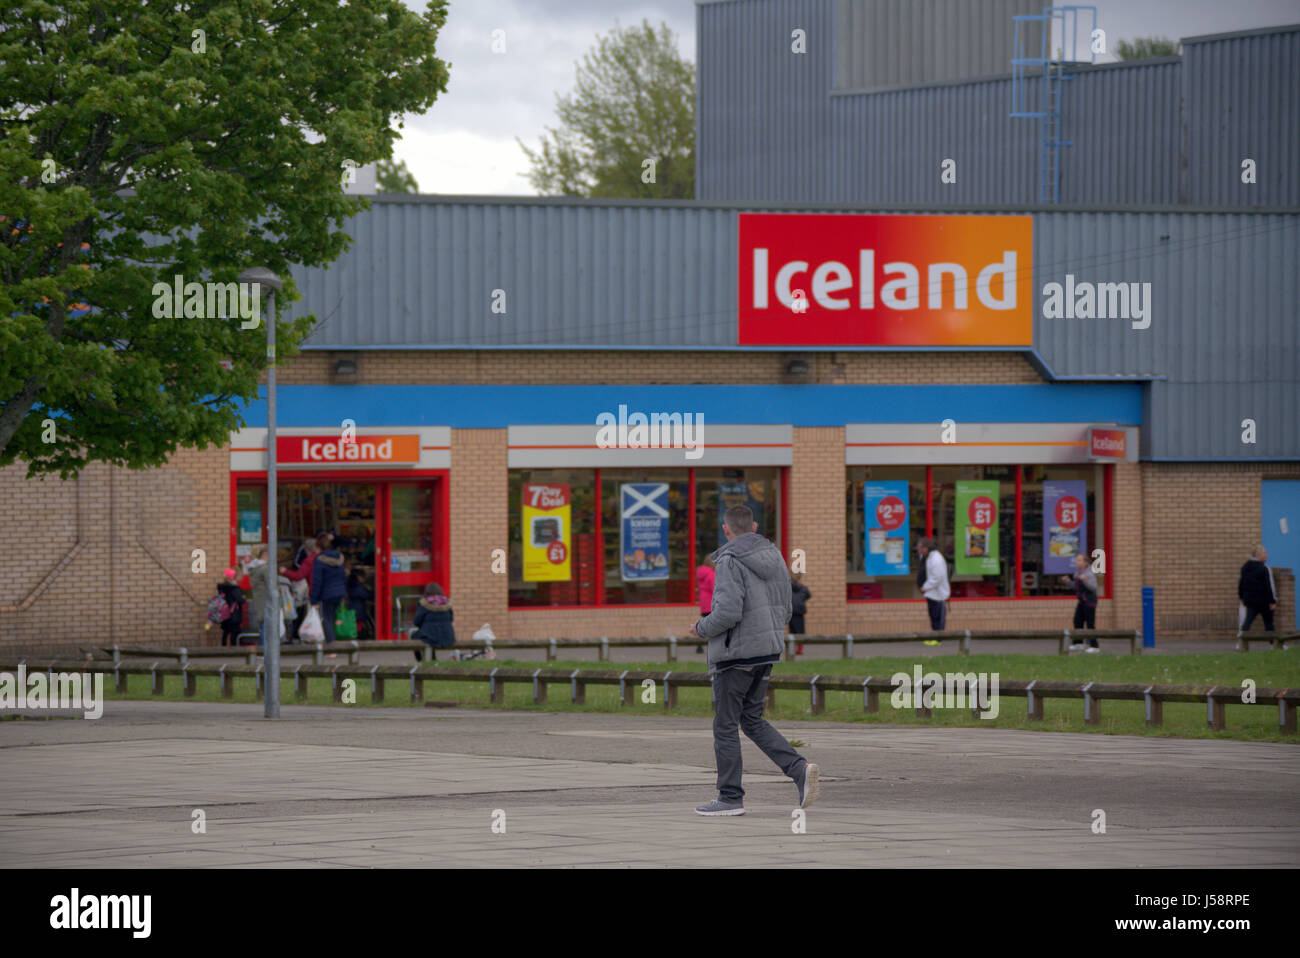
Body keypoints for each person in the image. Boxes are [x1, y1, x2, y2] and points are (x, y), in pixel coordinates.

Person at [689, 504, 819, 817]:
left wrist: (700, 628)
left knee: (725, 725)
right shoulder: (775, 556)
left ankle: (730, 797)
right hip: (767, 651)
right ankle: (799, 769)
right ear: (755, 526)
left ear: (726, 529)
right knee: (752, 719)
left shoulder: (729, 560)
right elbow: (787, 607)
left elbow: (728, 612)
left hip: (735, 656)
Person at [1238, 545, 1280, 649]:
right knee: (1269, 623)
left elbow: (1241, 583)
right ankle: (1273, 645)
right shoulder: (1264, 569)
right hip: (1264, 601)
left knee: (1247, 622)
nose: (1266, 555)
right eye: (1265, 553)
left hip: (1250, 600)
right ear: (1258, 555)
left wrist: (1242, 596)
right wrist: (1272, 601)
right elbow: (1269, 586)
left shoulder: (1245, 567)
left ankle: (1240, 643)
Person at [310, 532, 348, 645]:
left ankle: (331, 647)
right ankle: (334, 642)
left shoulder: (319, 560)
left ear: (319, 546)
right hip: (340, 592)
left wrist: (313, 599)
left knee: (326, 619)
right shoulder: (339, 558)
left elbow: (317, 581)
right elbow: (343, 577)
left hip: (327, 593)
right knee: (333, 618)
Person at [282, 536, 321, 643]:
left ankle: (314, 639)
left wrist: (285, 571)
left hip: (315, 593)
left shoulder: (309, 561)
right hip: (328, 592)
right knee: (325, 617)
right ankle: (327, 643)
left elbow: (299, 575)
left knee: (314, 616)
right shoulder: (324, 558)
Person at [1062, 553, 1099, 652]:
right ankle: (1078, 643)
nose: (1076, 562)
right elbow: (1076, 586)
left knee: (1090, 624)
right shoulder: (1077, 573)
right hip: (1082, 601)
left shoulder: (1089, 573)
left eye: (1079, 560)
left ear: (1085, 563)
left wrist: (1085, 581)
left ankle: (1094, 646)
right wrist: (1068, 582)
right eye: (1076, 560)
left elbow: (1094, 587)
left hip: (1089, 601)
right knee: (1077, 621)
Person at [411, 582, 456, 661]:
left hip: (430, 636)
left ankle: (420, 660)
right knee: (429, 636)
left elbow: (416, 622)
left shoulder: (424, 604)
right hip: (448, 636)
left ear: (427, 592)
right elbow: (451, 619)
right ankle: (433, 659)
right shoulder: (447, 603)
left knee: (414, 636)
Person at [916, 538, 950, 640]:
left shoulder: (936, 559)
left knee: (937, 617)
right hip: (932, 593)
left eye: (920, 548)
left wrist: (925, 587)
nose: (918, 550)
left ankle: (938, 638)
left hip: (938, 594)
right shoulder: (928, 557)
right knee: (933, 616)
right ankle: (935, 637)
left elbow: (936, 577)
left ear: (926, 548)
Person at [243, 545, 276, 649]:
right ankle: (265, 650)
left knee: (264, 626)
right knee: (267, 626)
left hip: (260, 600)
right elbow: (272, 585)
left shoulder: (255, 568)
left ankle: (264, 649)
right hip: (267, 600)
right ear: (266, 554)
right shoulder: (265, 569)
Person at [216, 569, 245, 648]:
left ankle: (223, 648)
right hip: (233, 613)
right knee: (234, 632)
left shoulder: (223, 587)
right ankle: (234, 649)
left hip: (225, 612)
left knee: (226, 631)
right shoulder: (234, 588)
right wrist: (243, 598)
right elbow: (240, 599)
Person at [694, 555, 715, 654]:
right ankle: (713, 645)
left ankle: (699, 645)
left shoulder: (701, 573)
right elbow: (715, 588)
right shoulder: (711, 574)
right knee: (713, 625)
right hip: (711, 603)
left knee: (704, 625)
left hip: (704, 603)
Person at [790, 573, 811, 655]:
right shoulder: (803, 588)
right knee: (800, 631)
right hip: (800, 612)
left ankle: (792, 648)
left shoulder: (788, 588)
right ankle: (800, 649)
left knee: (792, 631)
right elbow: (808, 595)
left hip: (792, 612)